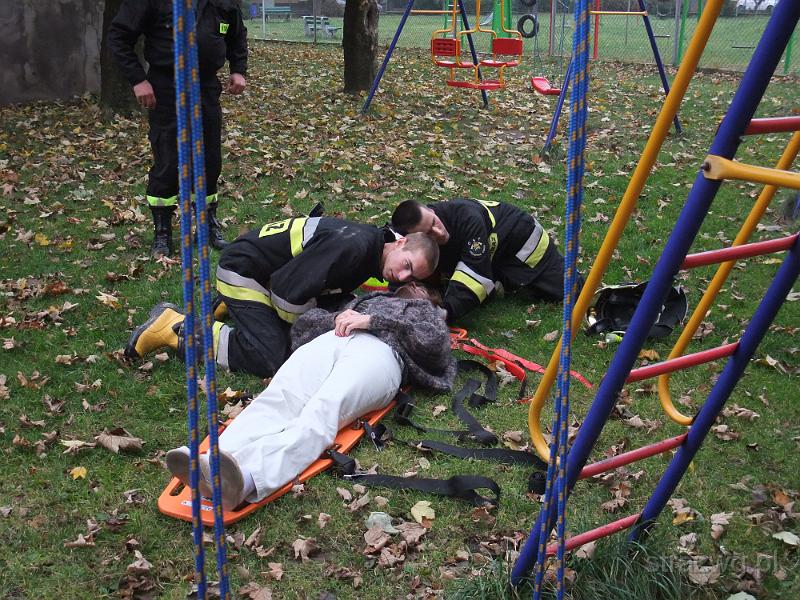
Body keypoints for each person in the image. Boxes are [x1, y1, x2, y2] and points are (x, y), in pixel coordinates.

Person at [165, 283, 456, 511]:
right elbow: (304, 326)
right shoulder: (366, 299)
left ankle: (249, 478)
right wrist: (336, 318)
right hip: (333, 340)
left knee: (322, 409)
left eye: (422, 287)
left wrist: (373, 320)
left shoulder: (425, 313)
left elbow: (436, 345)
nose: (413, 285)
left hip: (382, 355)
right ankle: (209, 462)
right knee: (279, 396)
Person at [125, 216, 440, 378]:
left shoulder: (371, 247)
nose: (402, 278)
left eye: (411, 277)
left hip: (269, 274)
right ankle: (176, 328)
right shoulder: (354, 248)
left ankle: (232, 308)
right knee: (274, 356)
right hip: (246, 273)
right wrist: (318, 325)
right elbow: (287, 295)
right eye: (407, 265)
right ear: (400, 243)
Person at [108, 0, 248, 257]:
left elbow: (237, 34)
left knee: (209, 161)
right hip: (166, 87)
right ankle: (162, 231)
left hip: (206, 87)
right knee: (168, 162)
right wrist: (138, 80)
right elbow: (118, 37)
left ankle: (206, 225)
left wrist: (238, 69)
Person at [391, 198, 570, 322]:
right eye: (428, 233)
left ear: (431, 210)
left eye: (434, 222)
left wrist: (444, 312)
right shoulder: (405, 237)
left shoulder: (467, 218)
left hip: (526, 246)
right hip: (493, 255)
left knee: (568, 291)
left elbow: (475, 277)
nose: (439, 232)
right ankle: (501, 282)